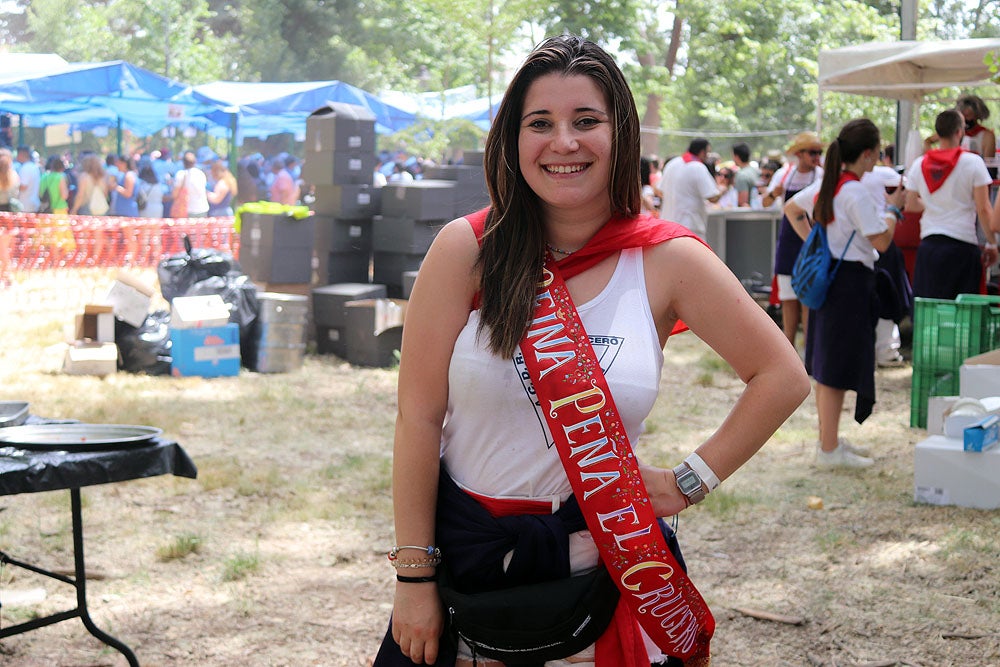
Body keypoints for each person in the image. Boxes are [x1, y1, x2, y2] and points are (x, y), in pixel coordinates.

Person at [373, 34, 810, 666]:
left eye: (586, 121)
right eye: (540, 123)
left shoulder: (665, 259)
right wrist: (412, 579)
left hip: (611, 572)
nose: (564, 142)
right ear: (512, 139)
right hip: (469, 567)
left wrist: (690, 481)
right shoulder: (465, 250)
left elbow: (781, 374)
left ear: (620, 133)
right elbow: (417, 419)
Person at [792, 119, 904, 468]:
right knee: (835, 369)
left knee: (828, 367)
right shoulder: (853, 190)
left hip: (834, 282)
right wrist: (894, 210)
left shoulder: (832, 185)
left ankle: (829, 442)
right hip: (850, 284)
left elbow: (792, 210)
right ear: (868, 153)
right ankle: (828, 450)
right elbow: (882, 241)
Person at [905, 109, 996, 300]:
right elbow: (984, 208)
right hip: (962, 247)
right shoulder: (973, 163)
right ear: (960, 132)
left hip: (929, 247)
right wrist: (992, 243)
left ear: (937, 133)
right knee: (962, 318)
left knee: (929, 316)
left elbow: (910, 205)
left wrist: (935, 204)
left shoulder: (919, 164)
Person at [762, 132, 825, 350]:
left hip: (808, 239)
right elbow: (765, 202)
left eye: (819, 152)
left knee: (807, 298)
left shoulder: (821, 176)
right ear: (799, 154)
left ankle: (809, 351)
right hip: (788, 240)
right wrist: (774, 194)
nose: (816, 156)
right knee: (788, 297)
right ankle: (787, 349)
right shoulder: (784, 174)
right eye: (812, 152)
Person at [658, 138, 728, 239]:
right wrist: (722, 189)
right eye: (708, 152)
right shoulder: (698, 167)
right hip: (689, 228)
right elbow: (712, 197)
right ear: (702, 152)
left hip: (667, 226)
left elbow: (660, 191)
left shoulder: (672, 164)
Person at [956, 94, 995, 160]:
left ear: (977, 115)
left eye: (967, 115)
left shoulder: (987, 135)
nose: (965, 119)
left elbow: (989, 164)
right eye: (962, 116)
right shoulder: (954, 133)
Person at [172, 151, 209, 217]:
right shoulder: (201, 173)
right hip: (203, 208)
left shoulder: (181, 174)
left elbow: (175, 194)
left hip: (187, 210)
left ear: (183, 162)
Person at [731, 142, 759, 208]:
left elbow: (742, 202)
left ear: (736, 156)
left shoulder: (741, 175)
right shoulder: (755, 171)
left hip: (747, 215)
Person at [16, 146, 41, 213]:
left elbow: (23, 186)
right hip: (33, 205)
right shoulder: (34, 167)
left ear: (21, 154)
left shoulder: (26, 168)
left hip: (26, 207)